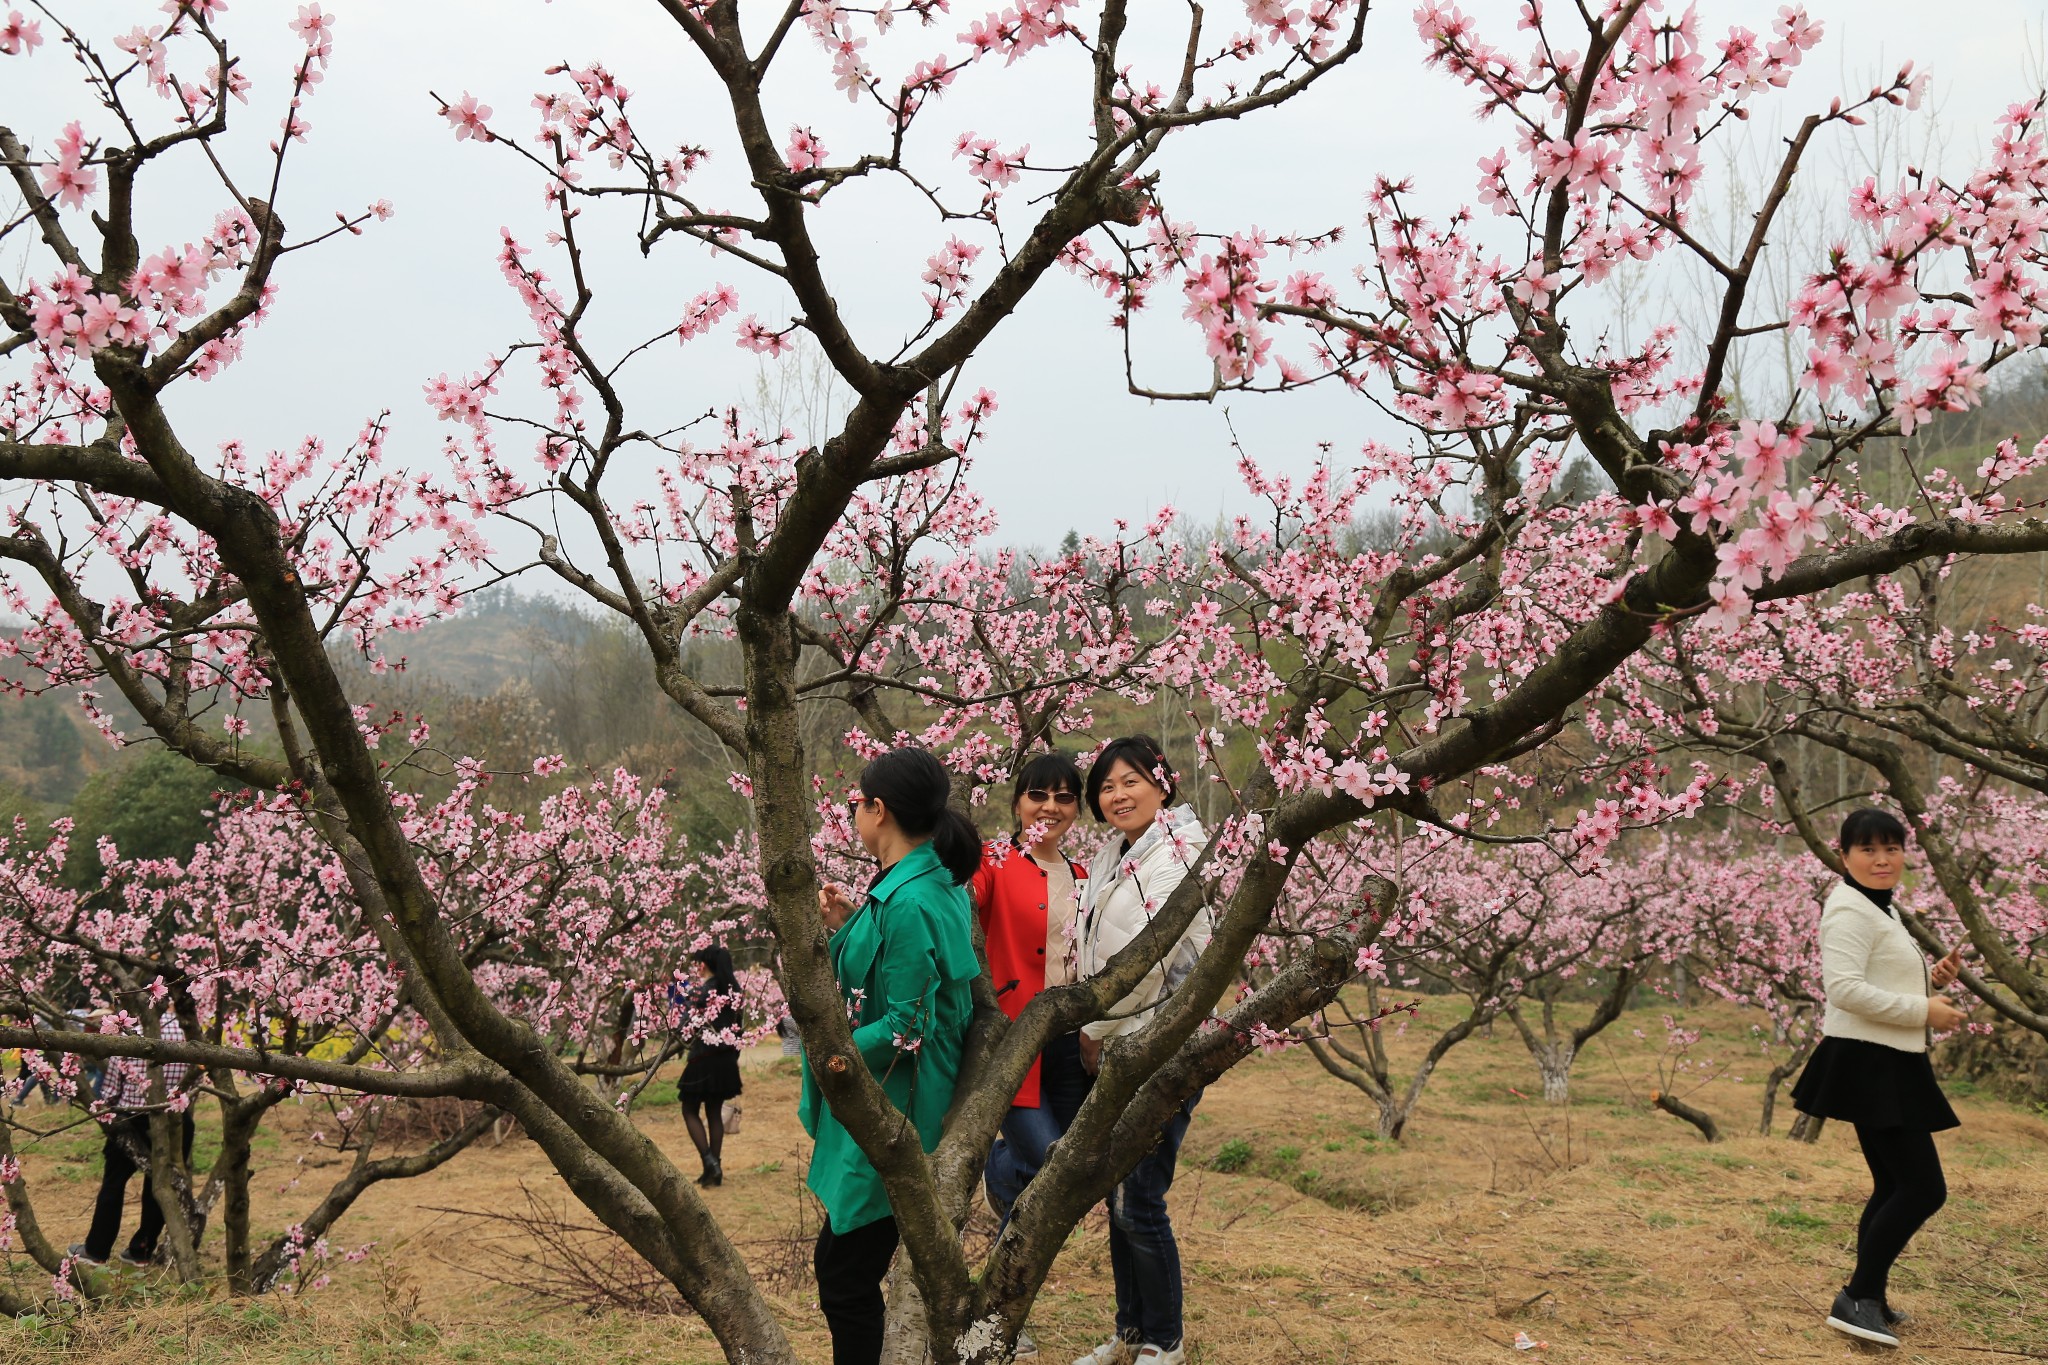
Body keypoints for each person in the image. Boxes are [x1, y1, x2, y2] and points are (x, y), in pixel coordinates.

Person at [804, 747, 982, 1365]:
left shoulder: (908, 899)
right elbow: (907, 973)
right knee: (845, 1267)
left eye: (856, 802)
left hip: (898, 1101)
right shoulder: (925, 883)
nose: (852, 811)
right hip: (897, 1093)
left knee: (844, 1274)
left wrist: (835, 1049)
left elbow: (909, 1021)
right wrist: (850, 926)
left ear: (879, 810)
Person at [1789, 808, 1972, 1349]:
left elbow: (1873, 974)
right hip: (1871, 1062)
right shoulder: (1848, 910)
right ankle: (1857, 1297)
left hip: (1884, 1058)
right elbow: (1843, 989)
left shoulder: (1879, 907)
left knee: (1894, 1183)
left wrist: (1928, 978)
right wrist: (1923, 1010)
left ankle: (1871, 1296)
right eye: (1868, 849)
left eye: (1891, 848)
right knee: (1922, 1188)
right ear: (1843, 855)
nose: (1882, 859)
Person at [1070, 736, 1210, 1365]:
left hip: (1160, 1041)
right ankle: (1130, 1332)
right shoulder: (1113, 855)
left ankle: (1165, 1341)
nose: (1117, 795)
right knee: (1117, 1193)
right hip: (1118, 1037)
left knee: (1139, 1197)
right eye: (1106, 786)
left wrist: (1094, 1033)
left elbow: (1150, 962)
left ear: (1163, 782)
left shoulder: (1178, 851)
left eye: (1130, 781)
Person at [974, 753, 1091, 1361]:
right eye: (1038, 794)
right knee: (1047, 1164)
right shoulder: (993, 864)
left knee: (1048, 1175)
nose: (1050, 807)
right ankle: (995, 1318)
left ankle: (996, 1316)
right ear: (1018, 801)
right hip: (1010, 1045)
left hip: (1070, 1048)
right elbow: (956, 904)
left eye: (1065, 797)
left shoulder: (1085, 873)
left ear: (1077, 808)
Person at [69, 1011, 195, 1269]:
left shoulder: (128, 1033)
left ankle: (96, 1249)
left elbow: (112, 1091)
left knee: (114, 1184)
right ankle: (142, 1249)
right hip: (175, 1120)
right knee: (159, 1186)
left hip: (131, 1120)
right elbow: (196, 1077)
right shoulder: (186, 1031)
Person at [675, 945, 744, 1188]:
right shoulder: (735, 991)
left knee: (689, 1110)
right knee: (714, 1112)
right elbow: (738, 1030)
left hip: (703, 1058)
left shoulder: (705, 991)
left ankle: (709, 1163)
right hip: (725, 1060)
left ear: (705, 964)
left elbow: (684, 1026)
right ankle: (714, 1170)